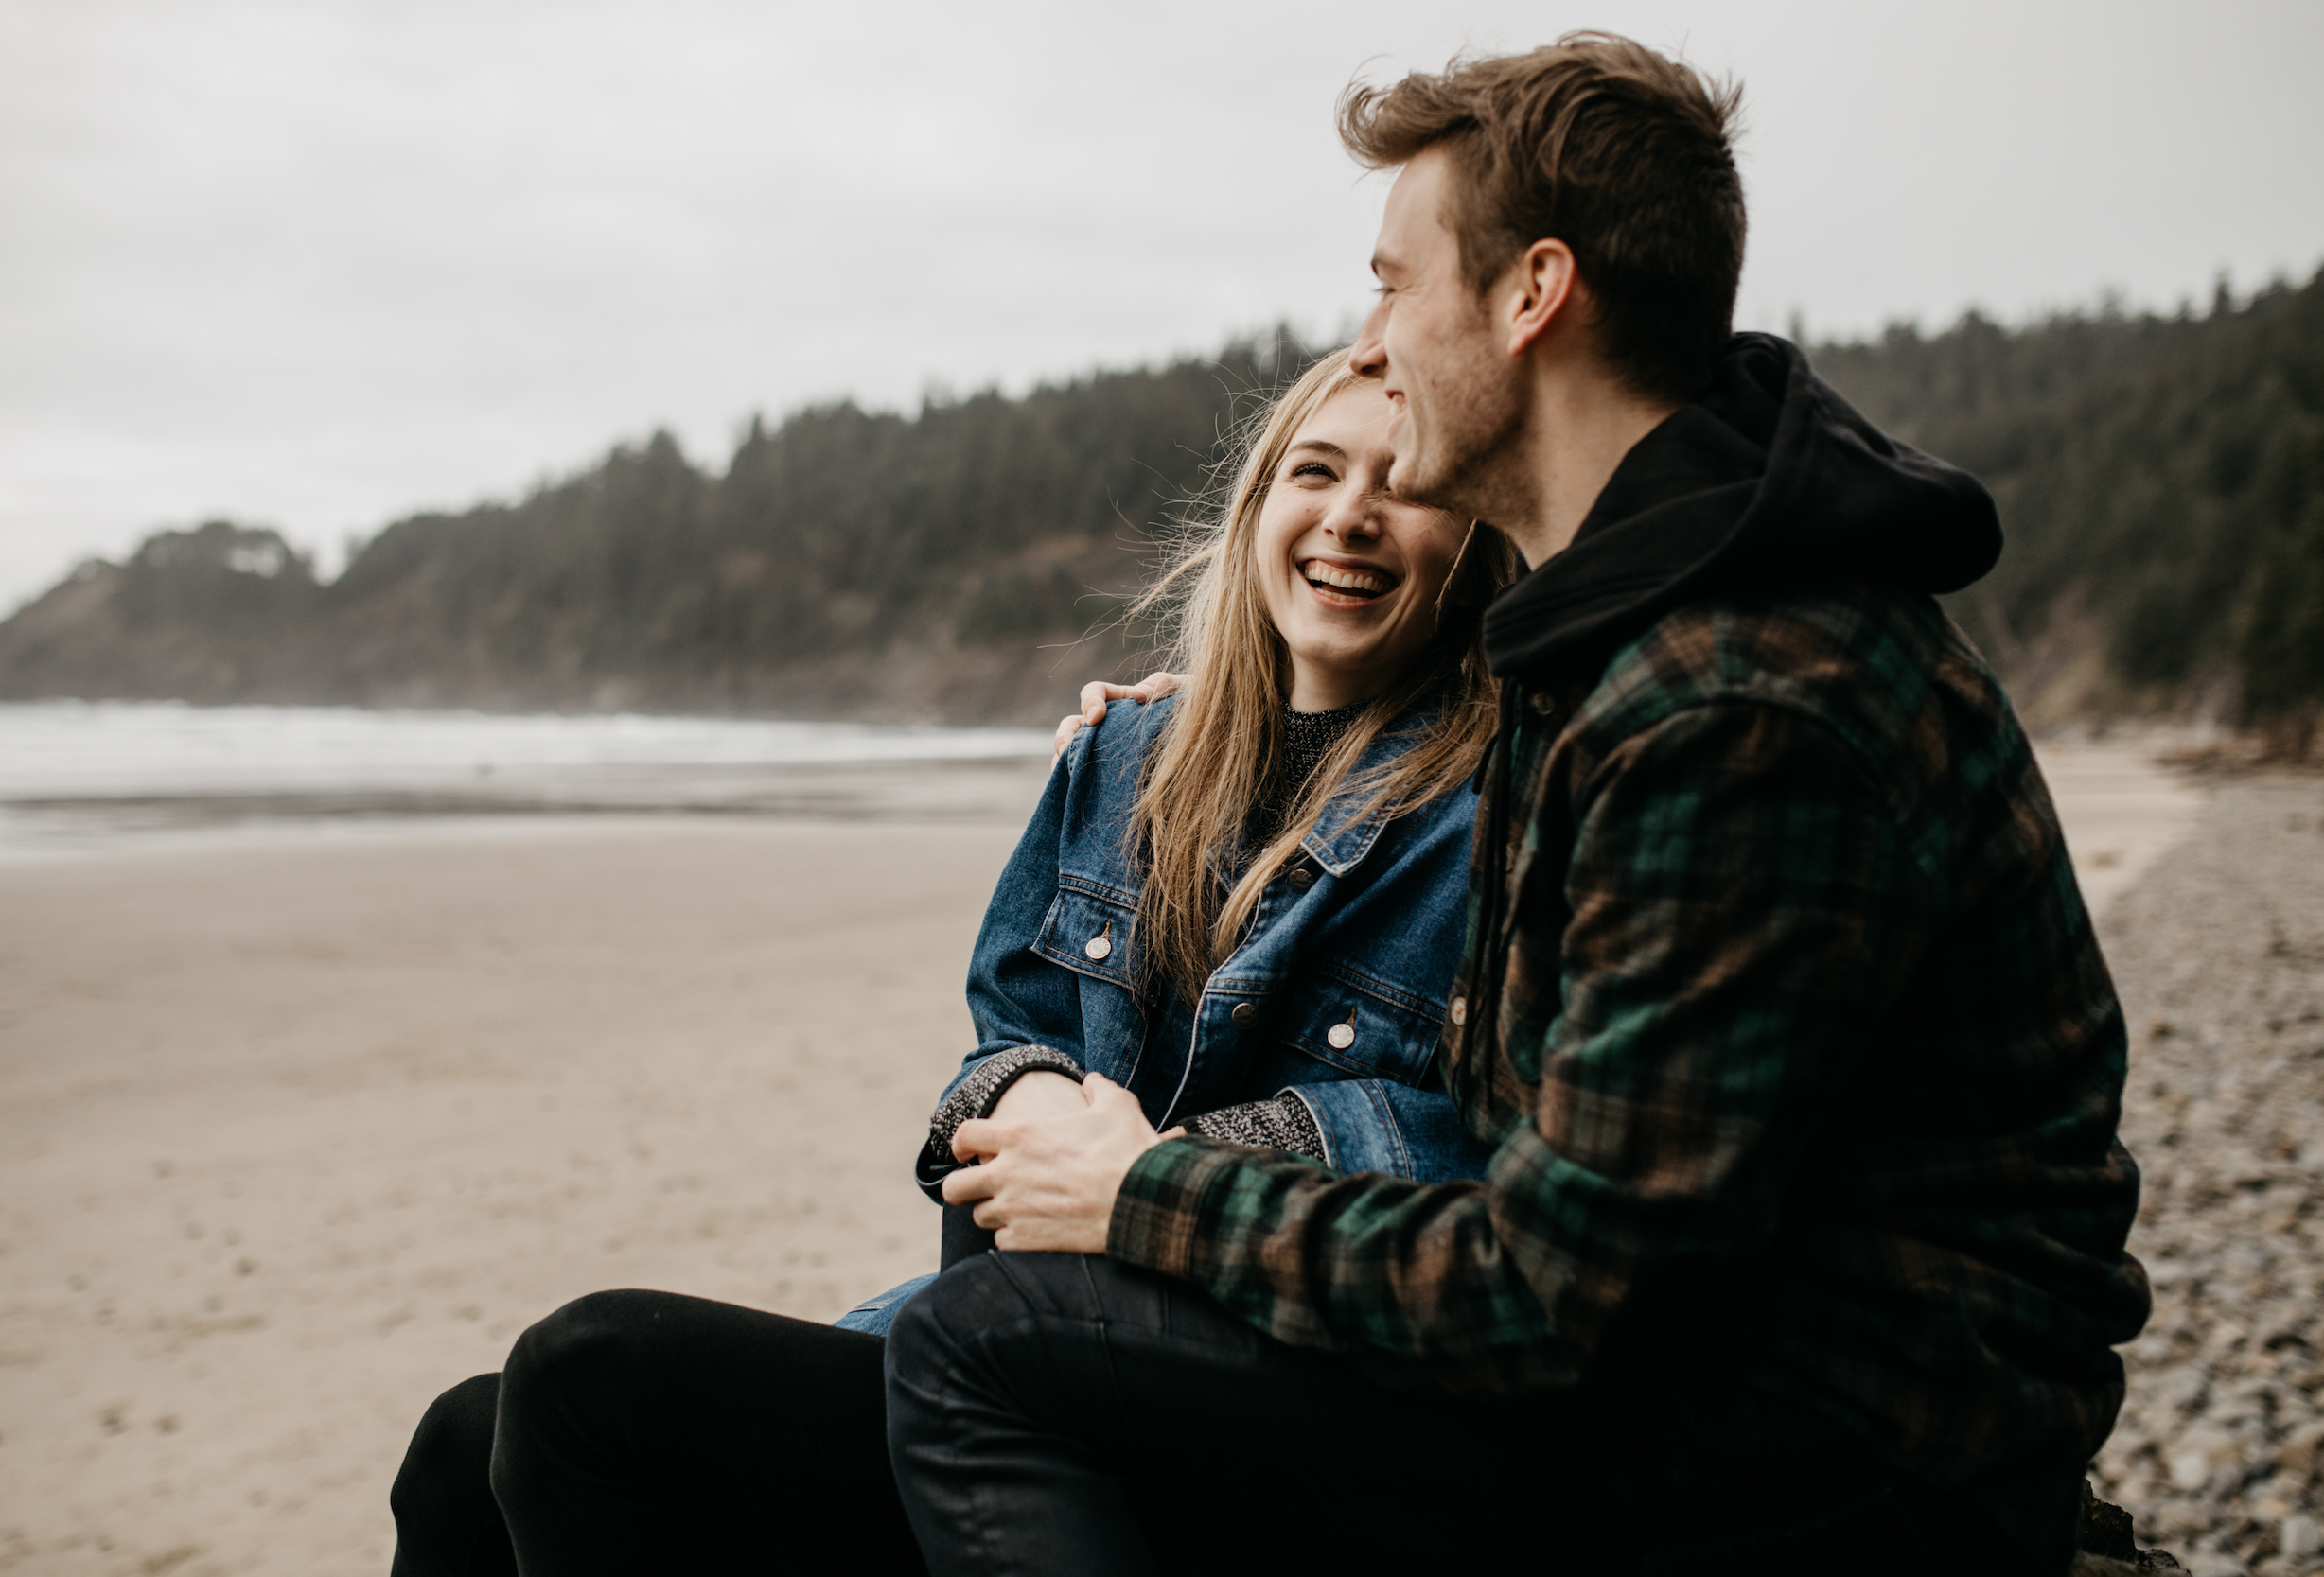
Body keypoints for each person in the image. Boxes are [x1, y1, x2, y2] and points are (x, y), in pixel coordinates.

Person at [884, 32, 2150, 1577]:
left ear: (1532, 295)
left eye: (1395, 282)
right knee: (616, 1394)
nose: (1376, 338)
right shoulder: (1623, 636)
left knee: (987, 1352)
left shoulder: (1740, 694)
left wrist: (1152, 1193)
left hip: (1844, 1460)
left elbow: (1564, 1290)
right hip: (1699, 1386)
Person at [384, 349, 1518, 1574]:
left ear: (1473, 545)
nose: (1350, 511)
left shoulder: (1495, 811)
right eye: (1316, 468)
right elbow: (1011, 1028)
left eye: (1404, 485)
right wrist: (1022, 1095)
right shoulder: (1128, 754)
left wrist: (1160, 1168)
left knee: (587, 1374)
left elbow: (1496, 1154)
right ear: (1256, 508)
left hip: (1235, 1402)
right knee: (460, 1448)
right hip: (996, 1336)